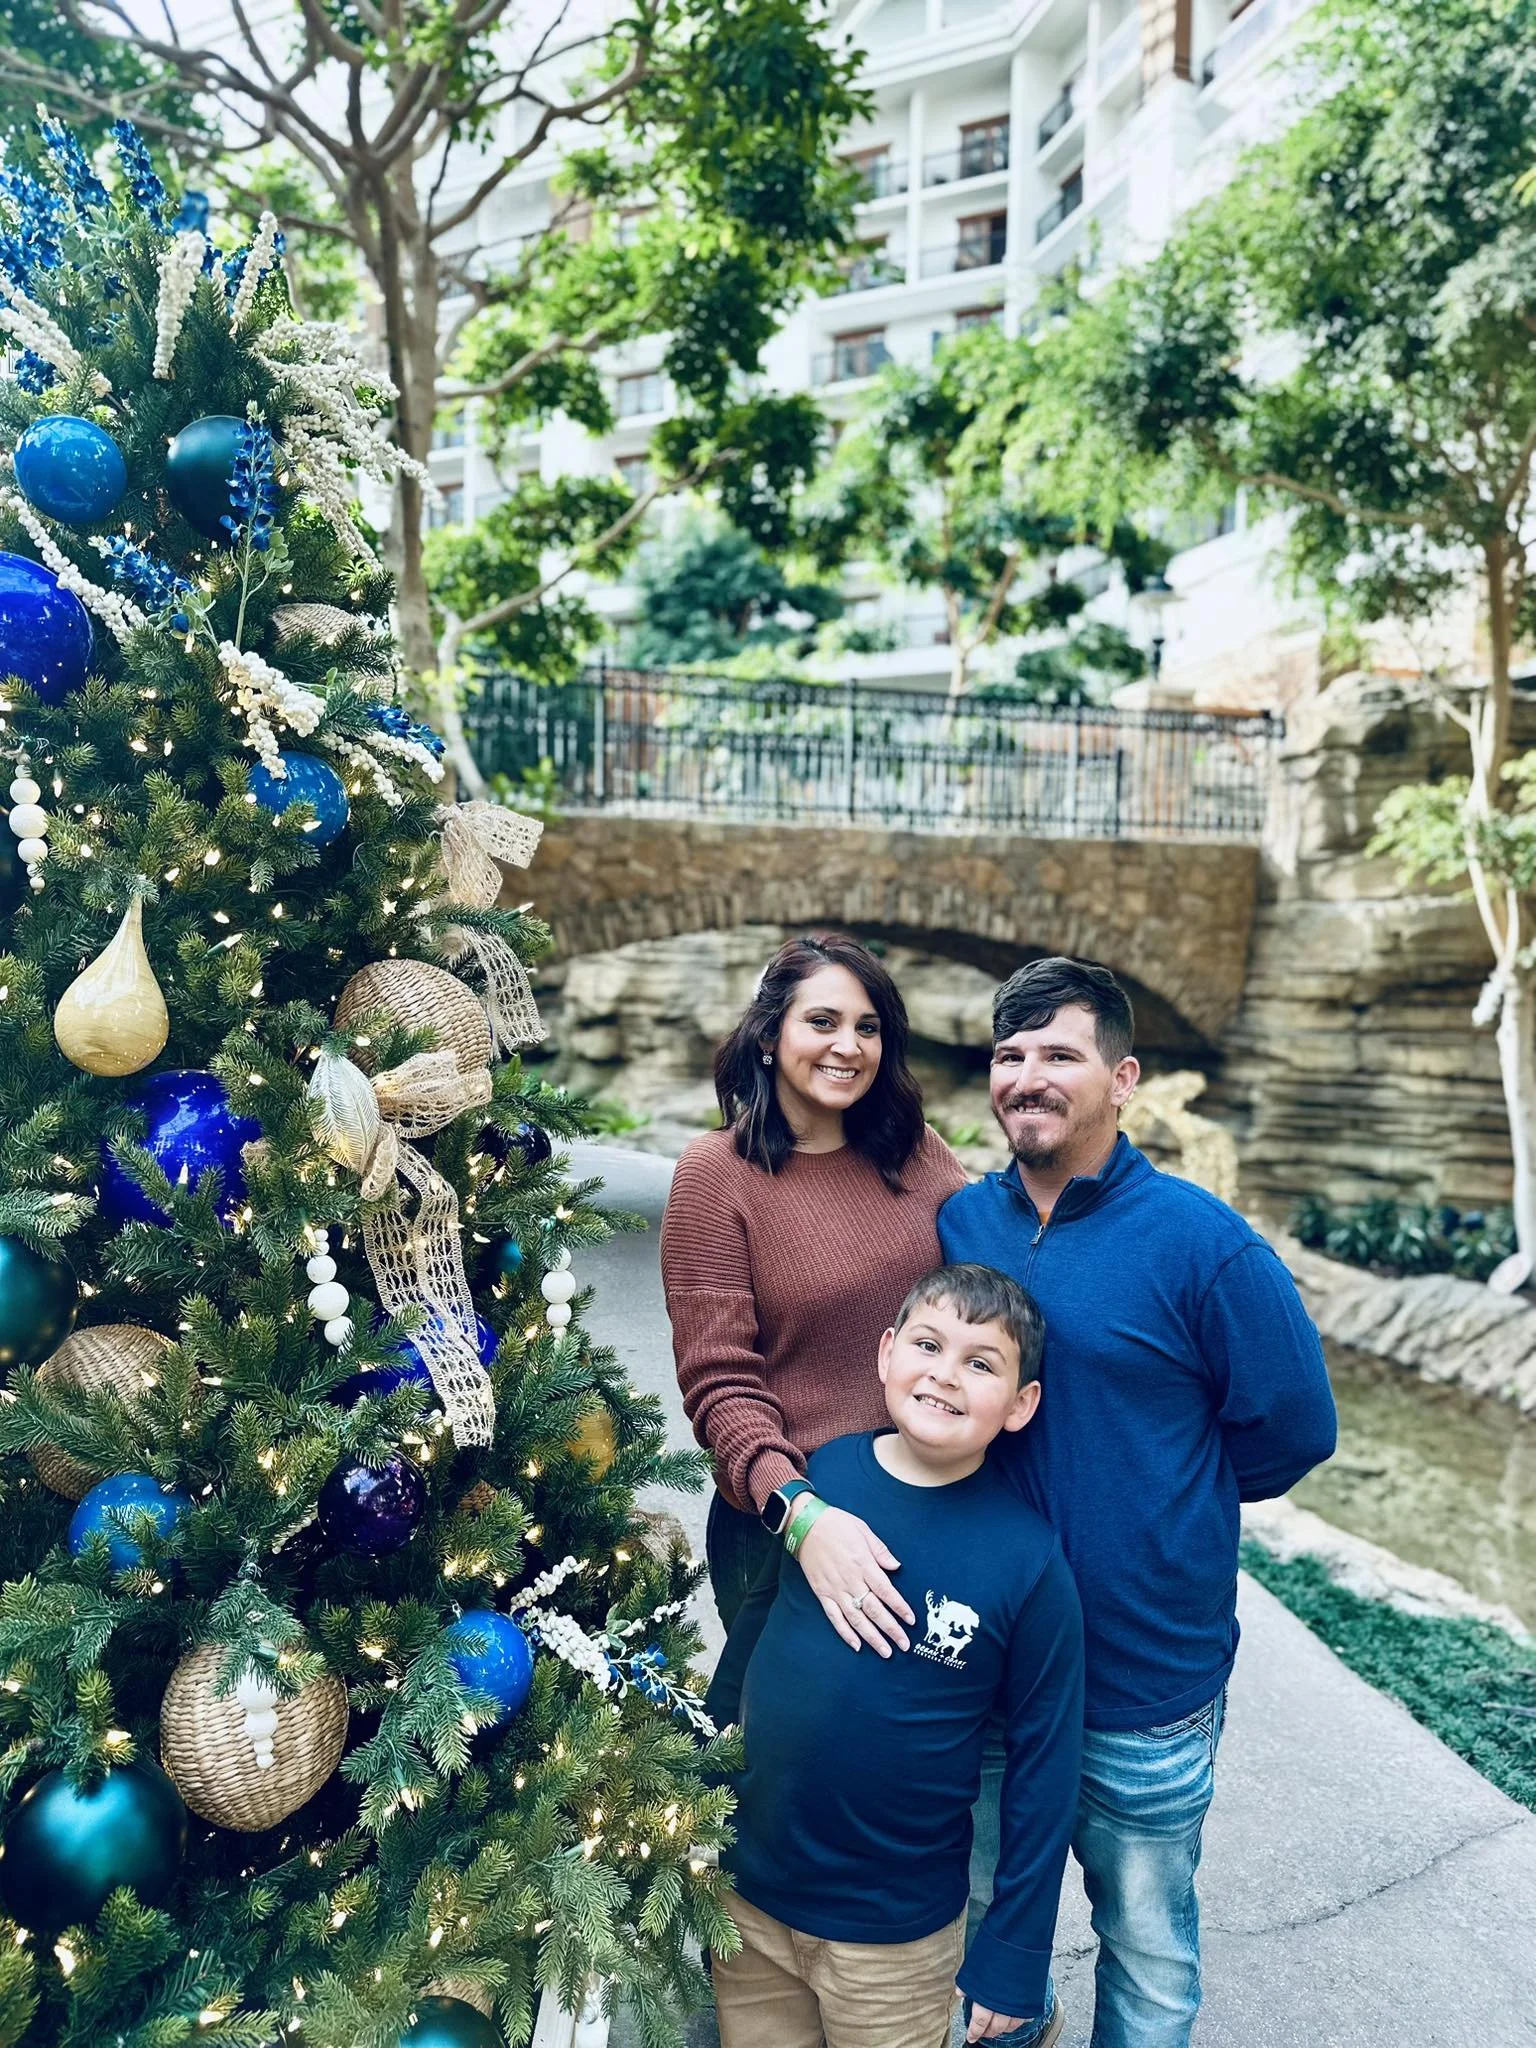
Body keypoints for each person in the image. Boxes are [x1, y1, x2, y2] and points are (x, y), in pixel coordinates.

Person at [930, 956, 1338, 2048]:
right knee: (974, 1930)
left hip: (1144, 1677)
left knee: (1148, 1944)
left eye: (1058, 1053)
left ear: (1124, 1077)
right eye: (1008, 1056)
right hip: (988, 1665)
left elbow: (1297, 1428)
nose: (1028, 1076)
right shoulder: (964, 1225)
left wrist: (1166, 1496)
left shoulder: (1205, 1245)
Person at [706, 1263, 1083, 2048]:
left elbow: (1047, 1769)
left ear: (1021, 1406)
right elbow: (757, 1623)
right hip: (751, 1896)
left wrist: (1015, 1952)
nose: (945, 1375)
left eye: (981, 1363)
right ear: (885, 1355)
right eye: (928, 1344)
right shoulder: (828, 1477)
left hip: (894, 1941)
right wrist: (701, 1772)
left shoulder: (1030, 1562)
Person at [661, 932, 966, 1635]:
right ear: (770, 1035)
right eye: (822, 1022)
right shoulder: (718, 1175)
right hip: (791, 1527)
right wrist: (801, 1517)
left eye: (868, 1028)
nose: (848, 1047)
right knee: (786, 1744)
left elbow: (994, 1295)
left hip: (927, 1509)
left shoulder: (917, 1153)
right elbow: (719, 1383)